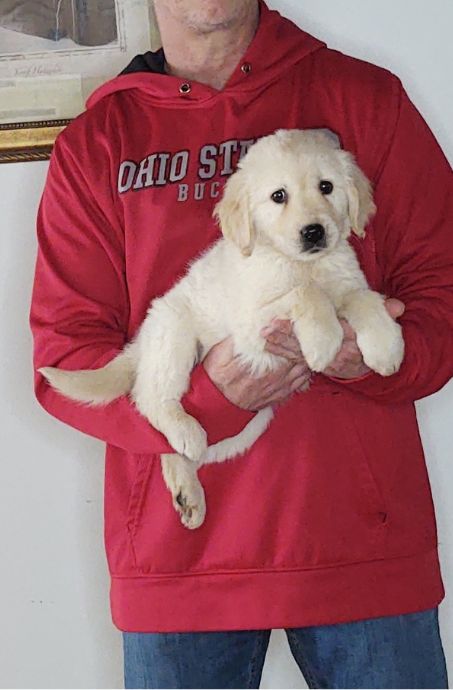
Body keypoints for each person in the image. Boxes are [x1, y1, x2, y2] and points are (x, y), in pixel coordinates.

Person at [29, 1, 453, 687]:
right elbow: (65, 362)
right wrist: (209, 400)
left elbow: (442, 288)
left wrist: (370, 360)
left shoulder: (364, 100)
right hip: (179, 564)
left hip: (361, 553)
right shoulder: (98, 143)